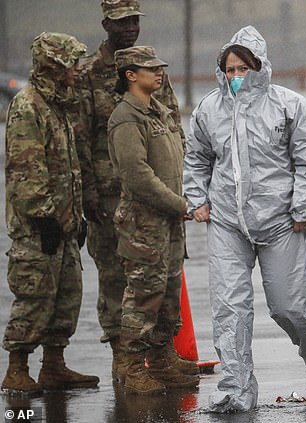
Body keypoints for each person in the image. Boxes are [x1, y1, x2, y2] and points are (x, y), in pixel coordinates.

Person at [183, 26, 306, 412]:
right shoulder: (209, 109)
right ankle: (236, 390)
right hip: (226, 223)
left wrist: (304, 206)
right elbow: (197, 158)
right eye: (229, 69)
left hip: (280, 221)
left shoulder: (289, 105)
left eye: (243, 68)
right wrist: (196, 198)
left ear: (259, 66)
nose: (237, 76)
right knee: (229, 308)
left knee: (291, 307)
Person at [74, 0, 197, 382]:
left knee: (161, 277)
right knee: (118, 278)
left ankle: (160, 355)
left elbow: (172, 123)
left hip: (157, 194)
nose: (129, 27)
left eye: (133, 20)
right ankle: (123, 361)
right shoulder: (91, 74)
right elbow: (79, 136)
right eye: (120, 21)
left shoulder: (151, 70)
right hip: (112, 194)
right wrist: (88, 193)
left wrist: (178, 181)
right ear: (106, 24)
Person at [1, 32, 99, 395]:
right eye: (72, 62)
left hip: (65, 223)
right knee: (35, 296)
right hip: (38, 227)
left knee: (67, 296)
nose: (77, 70)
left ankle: (54, 366)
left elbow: (67, 167)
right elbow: (27, 169)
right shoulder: (29, 106)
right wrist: (43, 217)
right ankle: (16, 369)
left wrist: (75, 219)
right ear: (54, 64)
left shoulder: (59, 105)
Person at [108, 46, 199, 395]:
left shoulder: (158, 111)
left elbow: (180, 158)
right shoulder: (126, 117)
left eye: (160, 67)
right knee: (144, 295)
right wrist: (178, 203)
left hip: (170, 220)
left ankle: (162, 358)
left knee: (168, 292)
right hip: (145, 222)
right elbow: (136, 175)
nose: (159, 73)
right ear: (130, 75)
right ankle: (132, 366)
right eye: (150, 69)